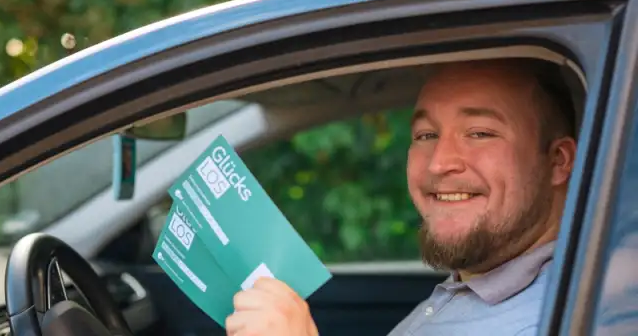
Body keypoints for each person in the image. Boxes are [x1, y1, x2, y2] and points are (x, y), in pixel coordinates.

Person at [224, 58, 579, 336]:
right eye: (426, 135)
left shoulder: (558, 319)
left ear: (557, 161)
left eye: (480, 133)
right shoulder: (469, 288)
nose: (440, 163)